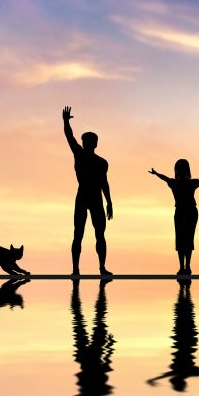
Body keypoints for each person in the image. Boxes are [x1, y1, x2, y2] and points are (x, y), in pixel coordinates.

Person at [62, 106, 112, 276]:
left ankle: (102, 268)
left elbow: (104, 182)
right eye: (85, 141)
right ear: (83, 143)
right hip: (83, 196)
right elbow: (69, 137)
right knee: (78, 233)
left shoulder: (102, 162)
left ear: (95, 143)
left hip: (96, 198)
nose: (87, 143)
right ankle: (75, 269)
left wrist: (109, 202)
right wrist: (66, 122)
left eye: (90, 141)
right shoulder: (79, 154)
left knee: (100, 234)